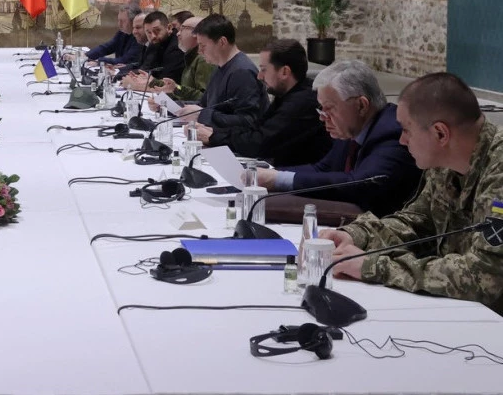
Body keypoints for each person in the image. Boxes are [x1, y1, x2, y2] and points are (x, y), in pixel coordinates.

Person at [319, 73, 503, 315]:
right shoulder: (444, 161)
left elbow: (485, 276)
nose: (402, 140)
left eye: (407, 130)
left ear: (440, 133)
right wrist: (357, 235)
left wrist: (374, 267)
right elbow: (417, 222)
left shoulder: (498, 170)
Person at [255, 59, 421, 217]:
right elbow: (323, 169)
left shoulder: (392, 133)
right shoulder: (353, 127)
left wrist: (278, 180)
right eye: (321, 109)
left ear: (361, 105)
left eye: (329, 109)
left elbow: (360, 184)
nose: (322, 118)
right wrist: (272, 174)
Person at [191, 39, 332, 166]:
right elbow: (256, 129)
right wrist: (214, 132)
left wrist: (213, 137)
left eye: (264, 69)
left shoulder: (301, 102)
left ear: (284, 72)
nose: (259, 76)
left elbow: (259, 143)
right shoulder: (286, 94)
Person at [176, 14, 267, 128]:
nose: (199, 51)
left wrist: (202, 115)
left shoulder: (242, 72)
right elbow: (204, 104)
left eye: (202, 45)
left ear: (222, 42)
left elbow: (247, 121)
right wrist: (172, 106)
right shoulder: (220, 66)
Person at [151, 15, 215, 102]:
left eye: (182, 29)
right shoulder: (190, 57)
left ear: (197, 32)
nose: (177, 33)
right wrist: (164, 100)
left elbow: (204, 98)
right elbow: (183, 91)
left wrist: (176, 89)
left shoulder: (203, 59)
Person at [120, 11, 185, 88]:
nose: (153, 36)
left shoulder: (176, 47)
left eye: (157, 31)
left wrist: (135, 85)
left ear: (169, 28)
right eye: (149, 32)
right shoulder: (154, 43)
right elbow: (145, 70)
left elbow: (168, 84)